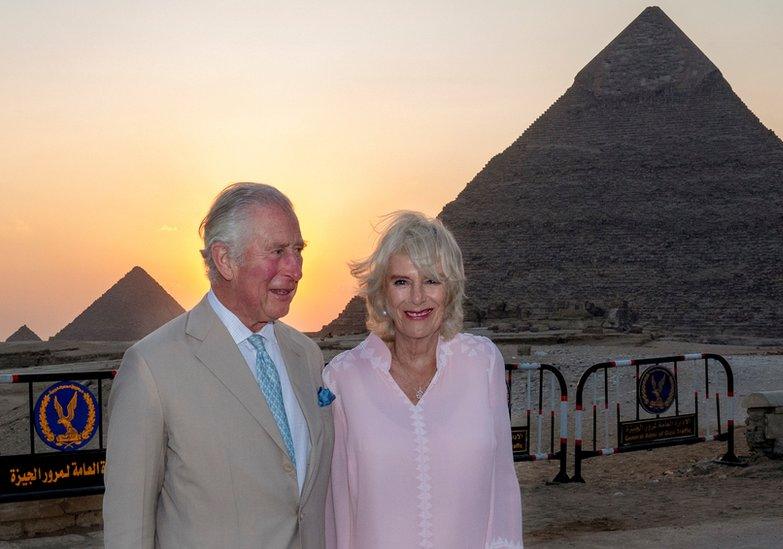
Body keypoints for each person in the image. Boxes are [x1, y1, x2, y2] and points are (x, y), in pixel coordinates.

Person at [103, 183, 334, 548]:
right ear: (225, 260)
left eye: (298, 251)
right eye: (277, 251)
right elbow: (128, 529)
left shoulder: (306, 356)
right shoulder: (151, 368)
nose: (295, 269)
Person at [323, 211, 523, 549]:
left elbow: (502, 488)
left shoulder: (482, 364)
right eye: (401, 281)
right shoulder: (342, 379)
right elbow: (338, 510)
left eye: (431, 280)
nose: (417, 297)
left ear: (451, 289)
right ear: (382, 294)